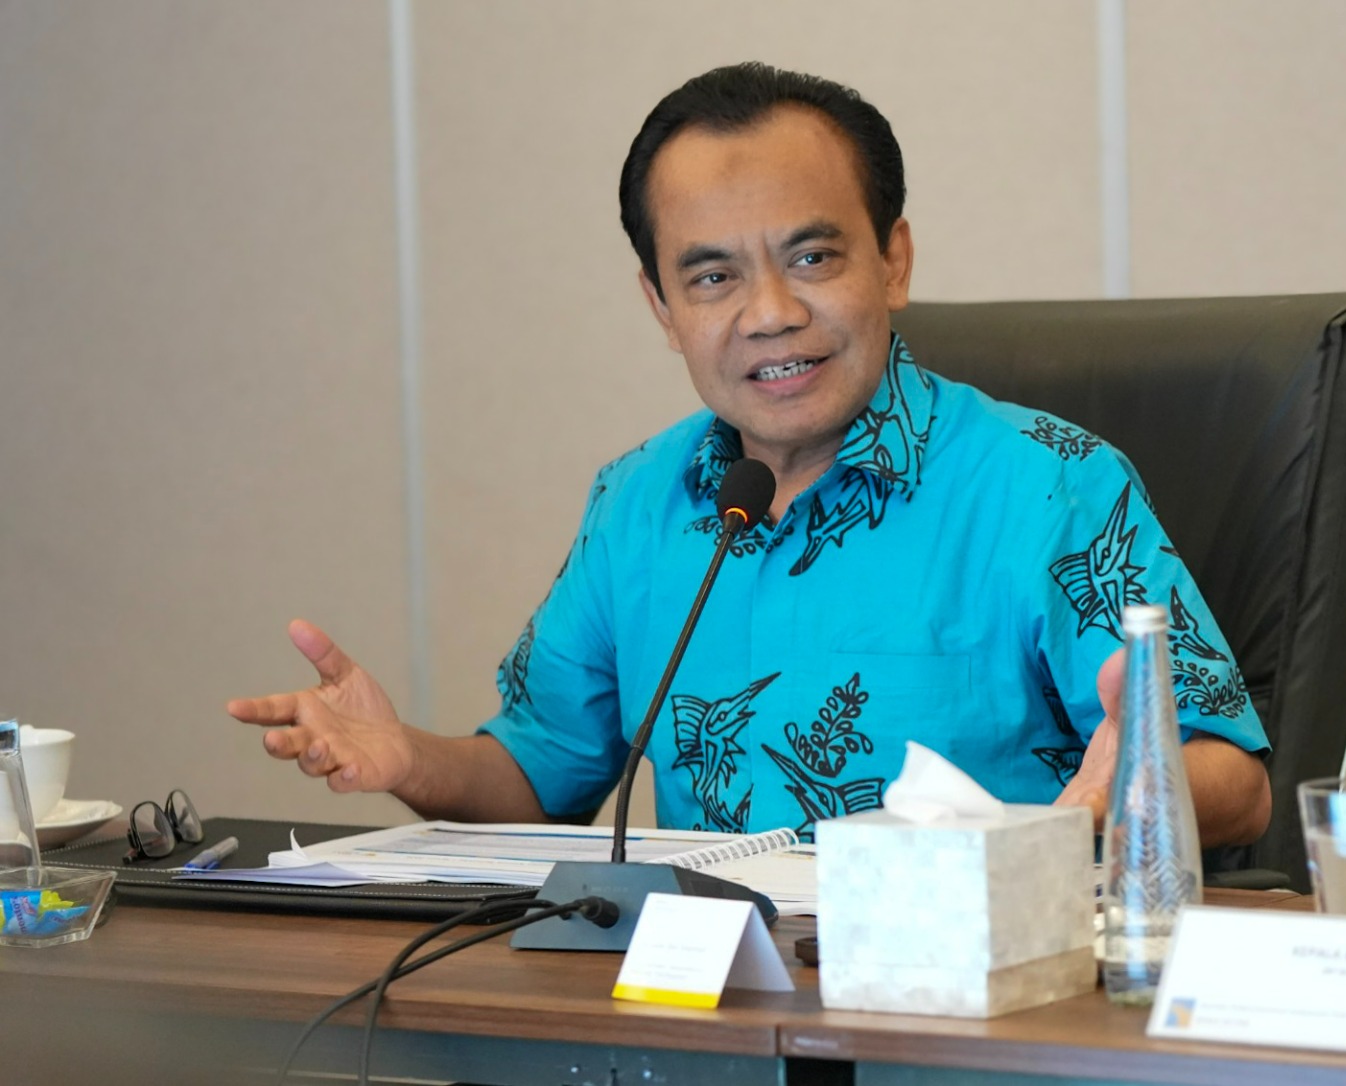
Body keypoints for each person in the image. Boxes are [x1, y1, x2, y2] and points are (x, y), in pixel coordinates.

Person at [227, 63, 1271, 847]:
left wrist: (1109, 801)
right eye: (713, 277)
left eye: (811, 257)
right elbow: (539, 778)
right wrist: (407, 758)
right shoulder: (638, 502)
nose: (770, 313)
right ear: (662, 307)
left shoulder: (1050, 486)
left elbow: (1236, 778)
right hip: (708, 1011)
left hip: (973, 1008)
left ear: (893, 260)